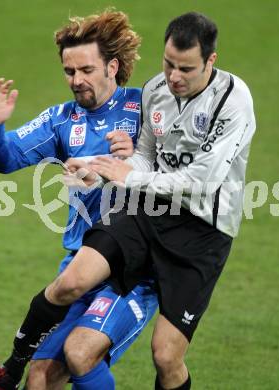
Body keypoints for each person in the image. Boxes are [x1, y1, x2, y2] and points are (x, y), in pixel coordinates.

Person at [27, 11, 257, 389]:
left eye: (186, 68)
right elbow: (145, 154)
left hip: (201, 231)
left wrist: (133, 176)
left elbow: (202, 181)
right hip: (146, 212)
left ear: (211, 61)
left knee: (166, 356)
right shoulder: (156, 91)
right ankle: (12, 365)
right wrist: (101, 167)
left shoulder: (233, 102)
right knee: (71, 282)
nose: (174, 77)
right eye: (168, 64)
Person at [0, 10, 158, 390]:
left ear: (112, 66)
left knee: (80, 354)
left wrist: (139, 153)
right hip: (80, 266)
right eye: (69, 72)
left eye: (86, 70)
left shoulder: (146, 109)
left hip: (133, 271)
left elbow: (182, 167)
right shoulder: (61, 120)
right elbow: (5, 159)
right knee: (39, 379)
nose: (76, 80)